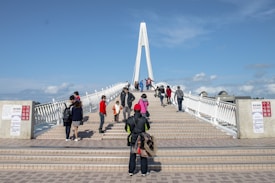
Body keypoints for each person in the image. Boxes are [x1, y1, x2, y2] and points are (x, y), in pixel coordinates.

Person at [125, 104, 150, 176]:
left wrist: (133, 132)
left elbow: (127, 130)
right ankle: (144, 172)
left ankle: (131, 171)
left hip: (133, 139)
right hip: (142, 139)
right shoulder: (144, 119)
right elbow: (147, 128)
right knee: (143, 156)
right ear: (140, 110)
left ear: (134, 110)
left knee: (133, 156)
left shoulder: (130, 119)